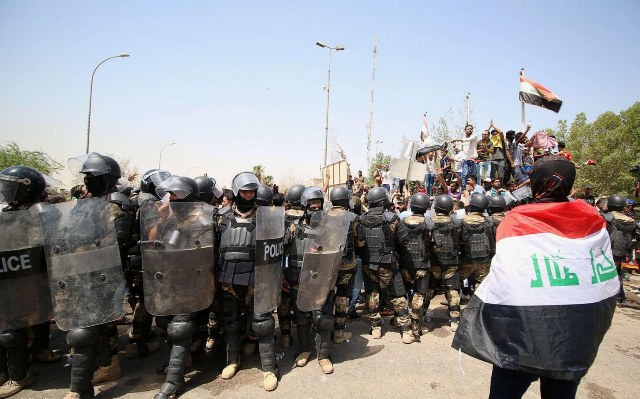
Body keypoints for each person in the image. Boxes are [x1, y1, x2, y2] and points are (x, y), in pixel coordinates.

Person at [453, 155, 618, 399]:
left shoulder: (518, 221)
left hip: (521, 338)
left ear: (538, 182)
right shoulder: (594, 221)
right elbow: (603, 282)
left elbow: (505, 280)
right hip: (573, 339)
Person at [148, 176, 214, 399]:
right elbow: (153, 242)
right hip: (168, 279)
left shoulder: (203, 219)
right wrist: (161, 220)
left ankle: (174, 381)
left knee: (180, 326)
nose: (171, 198)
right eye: (170, 194)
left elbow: (208, 255)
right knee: (165, 323)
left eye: (176, 194)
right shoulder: (169, 218)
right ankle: (186, 357)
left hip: (192, 280)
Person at [216, 172, 279, 391]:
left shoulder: (266, 215)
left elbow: (278, 245)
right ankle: (232, 361)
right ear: (236, 191)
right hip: (228, 275)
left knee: (262, 322)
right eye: (244, 191)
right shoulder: (220, 216)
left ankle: (269, 368)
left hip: (258, 274)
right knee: (231, 321)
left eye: (252, 191)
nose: (249, 195)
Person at [0, 166, 50, 398]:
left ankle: (20, 374)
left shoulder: (42, 213)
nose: (7, 190)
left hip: (32, 277)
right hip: (9, 274)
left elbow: (44, 247)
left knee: (15, 328)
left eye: (12, 185)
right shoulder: (7, 211)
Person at [356, 187, 413, 342]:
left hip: (369, 264)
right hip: (389, 264)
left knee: (372, 294)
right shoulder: (392, 218)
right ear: (383, 201)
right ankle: (406, 331)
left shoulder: (361, 219)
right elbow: (404, 240)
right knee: (398, 295)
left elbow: (359, 243)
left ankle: (375, 328)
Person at [424, 194, 462, 332]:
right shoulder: (457, 221)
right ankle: (455, 320)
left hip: (433, 262)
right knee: (452, 290)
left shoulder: (428, 221)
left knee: (428, 289)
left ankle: (421, 315)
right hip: (452, 261)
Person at [397, 193, 431, 342]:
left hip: (405, 265)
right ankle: (415, 327)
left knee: (404, 295)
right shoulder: (429, 223)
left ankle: (403, 325)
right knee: (419, 295)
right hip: (423, 265)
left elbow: (397, 241)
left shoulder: (402, 222)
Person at [327, 187, 358, 344]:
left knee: (326, 297)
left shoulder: (324, 216)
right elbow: (359, 241)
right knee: (343, 297)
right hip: (347, 265)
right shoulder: (352, 217)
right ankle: (339, 332)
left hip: (327, 265)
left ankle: (323, 330)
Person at [458, 193, 494, 300]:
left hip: (467, 259)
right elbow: (491, 241)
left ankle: (456, 304)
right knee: (481, 286)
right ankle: (478, 308)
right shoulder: (489, 222)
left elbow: (458, 240)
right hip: (484, 260)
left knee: (456, 282)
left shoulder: (463, 221)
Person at [602, 194, 636, 304]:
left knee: (607, 273)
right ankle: (621, 297)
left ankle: (609, 296)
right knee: (617, 272)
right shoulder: (631, 220)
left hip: (608, 249)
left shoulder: (607, 217)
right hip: (622, 251)